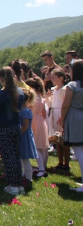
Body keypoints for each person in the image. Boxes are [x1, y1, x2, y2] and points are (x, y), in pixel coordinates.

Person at [0, 66, 24, 196]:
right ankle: (19, 183)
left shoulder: (2, 94)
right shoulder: (19, 93)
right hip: (16, 126)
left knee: (8, 157)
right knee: (15, 156)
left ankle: (12, 185)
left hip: (4, 127)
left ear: (2, 78)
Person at [58, 59, 83, 191]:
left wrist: (62, 119)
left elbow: (66, 104)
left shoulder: (72, 85)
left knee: (79, 152)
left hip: (75, 118)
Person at [25, 77, 49, 178]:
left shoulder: (33, 97)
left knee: (34, 146)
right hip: (40, 121)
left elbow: (29, 108)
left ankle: (41, 168)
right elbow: (44, 113)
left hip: (33, 120)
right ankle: (42, 166)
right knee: (41, 146)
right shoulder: (41, 97)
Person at [49, 69, 71, 171]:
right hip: (54, 112)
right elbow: (50, 103)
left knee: (64, 140)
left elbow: (65, 103)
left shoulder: (64, 89)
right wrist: (48, 96)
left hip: (60, 114)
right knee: (57, 139)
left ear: (61, 78)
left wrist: (62, 116)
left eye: (53, 77)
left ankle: (66, 163)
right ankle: (60, 162)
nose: (51, 79)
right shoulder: (54, 89)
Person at [19, 90, 38, 189]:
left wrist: (18, 133)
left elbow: (25, 125)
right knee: (21, 157)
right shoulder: (21, 110)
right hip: (22, 136)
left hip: (24, 137)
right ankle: (23, 175)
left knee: (25, 159)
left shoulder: (26, 111)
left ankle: (29, 179)